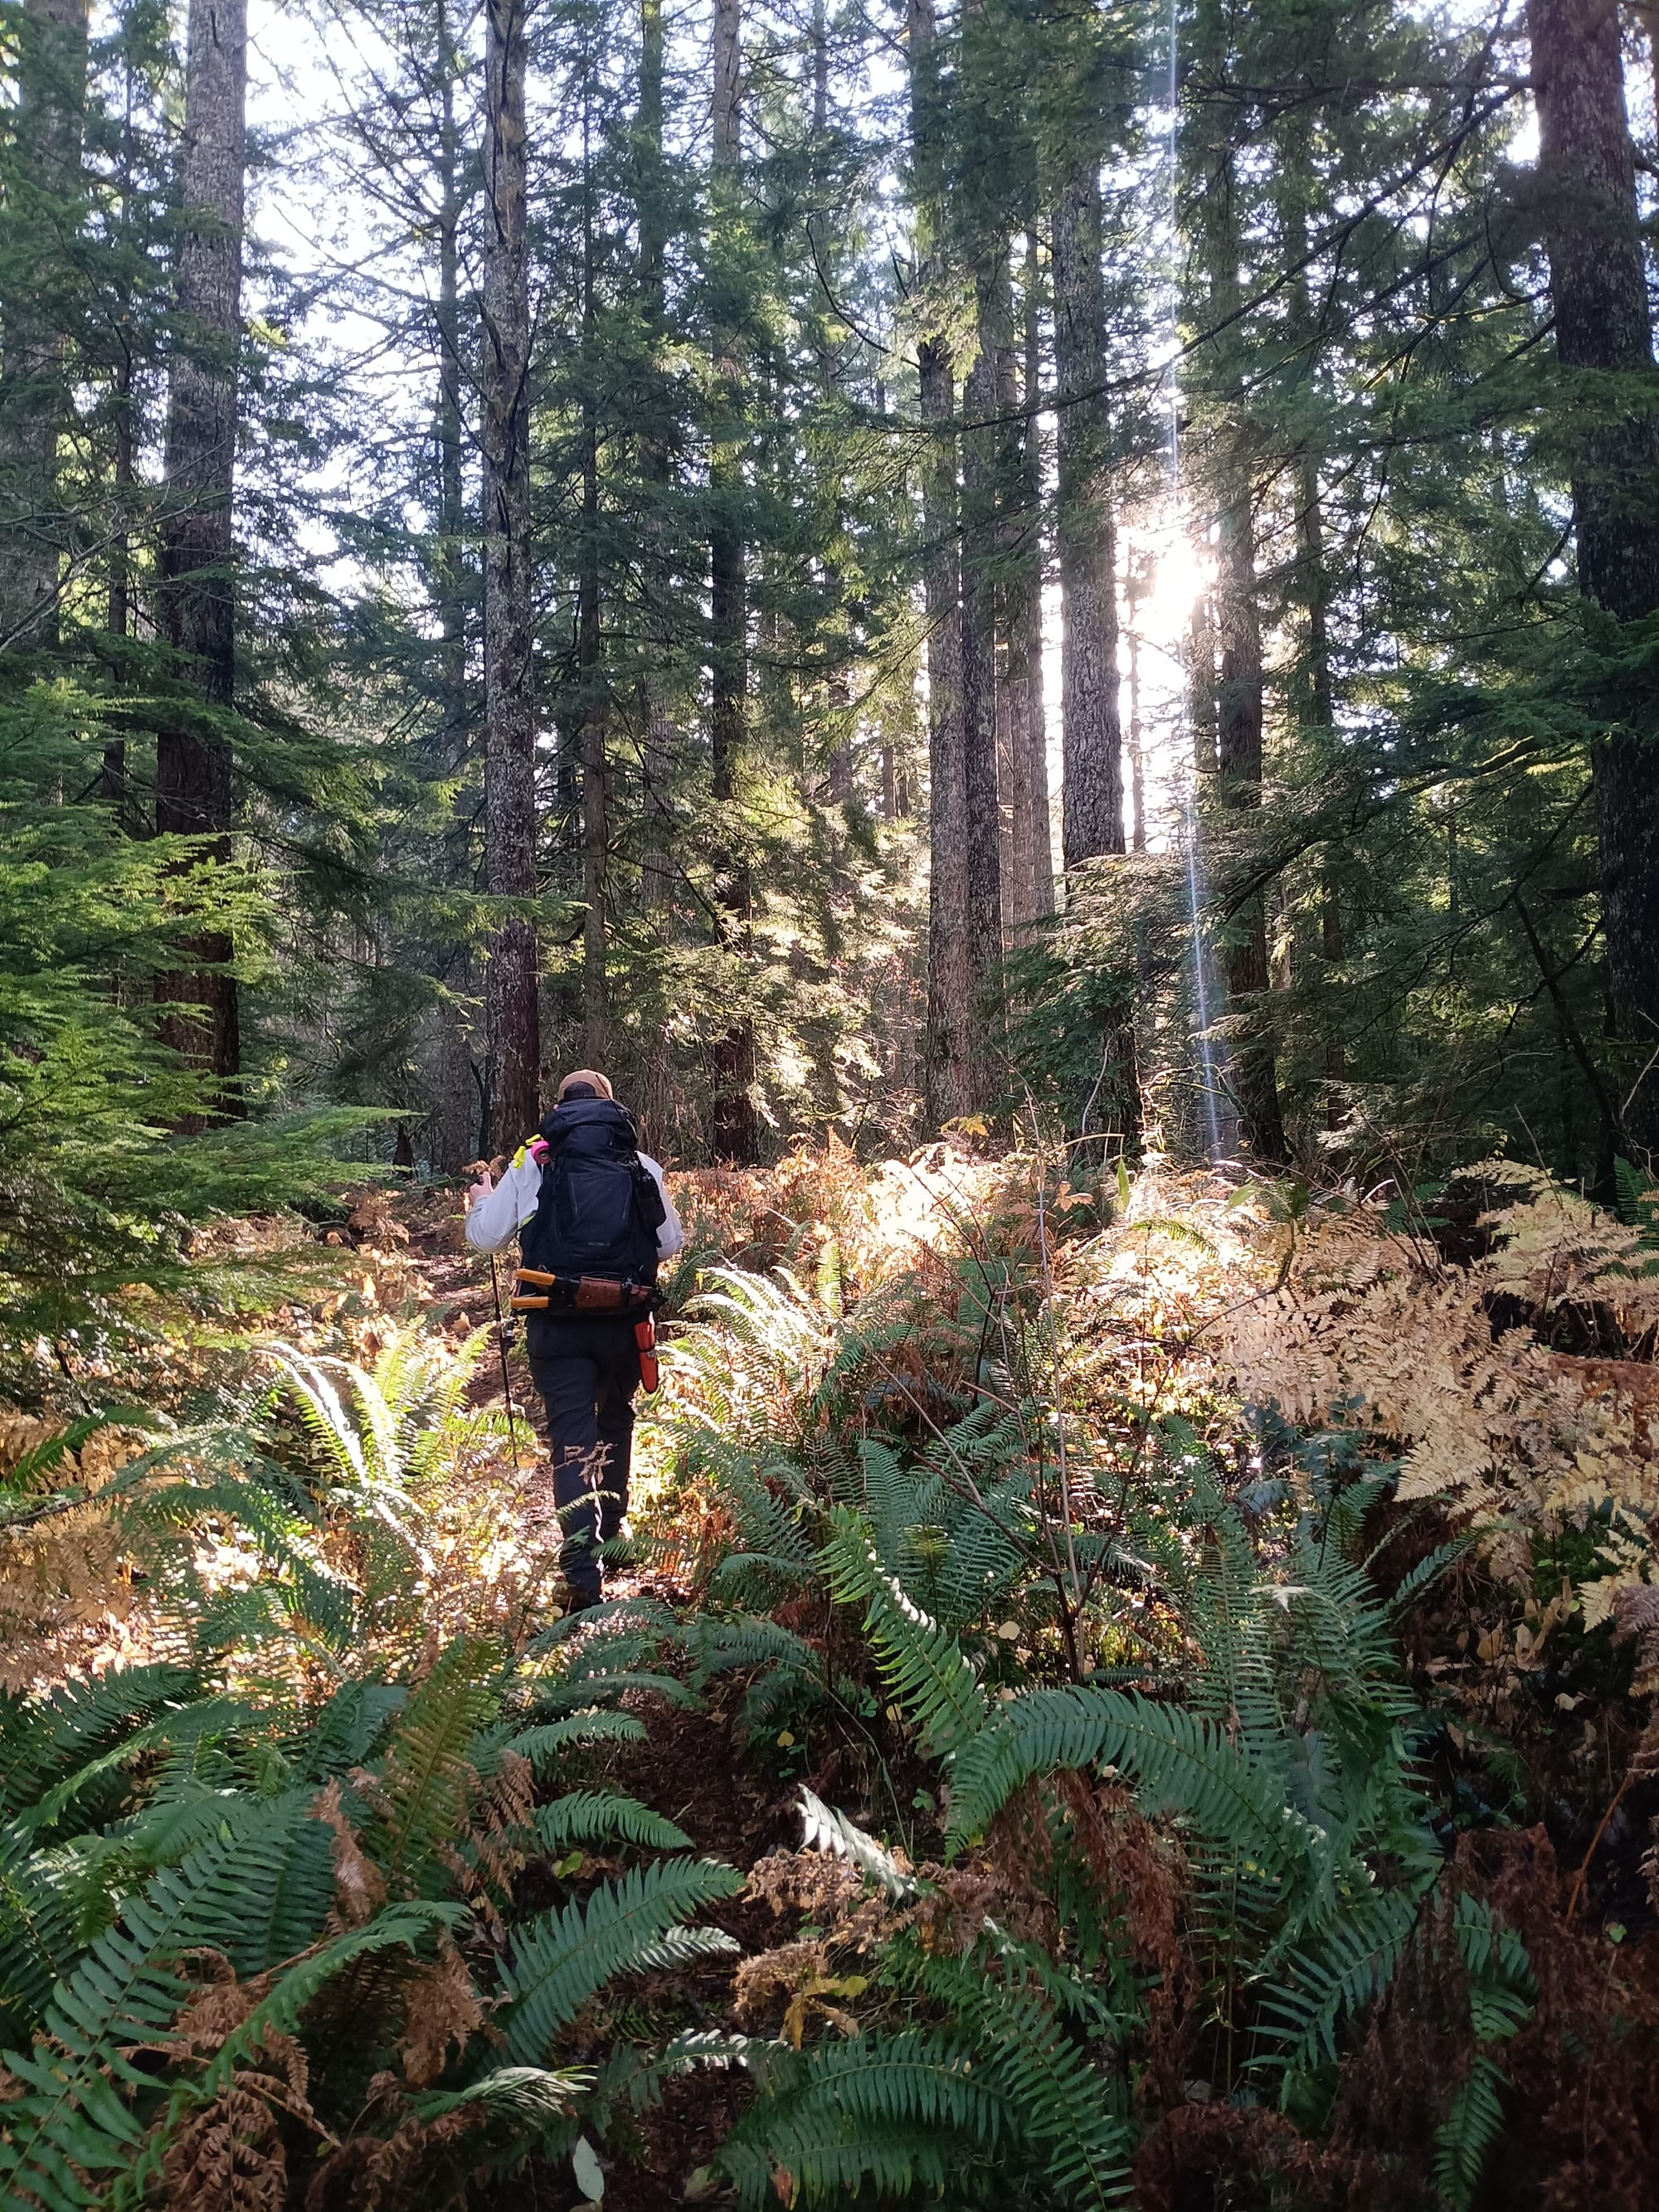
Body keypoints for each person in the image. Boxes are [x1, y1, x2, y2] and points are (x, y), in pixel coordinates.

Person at [465, 1069, 684, 1609]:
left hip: (556, 1322)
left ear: (560, 1107)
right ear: (609, 1105)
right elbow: (669, 1243)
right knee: (616, 1420)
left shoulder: (532, 1160)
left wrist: (482, 1199)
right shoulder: (639, 1163)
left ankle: (583, 1576)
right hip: (624, 1322)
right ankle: (614, 1533)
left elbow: (485, 1238)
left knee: (572, 1439)